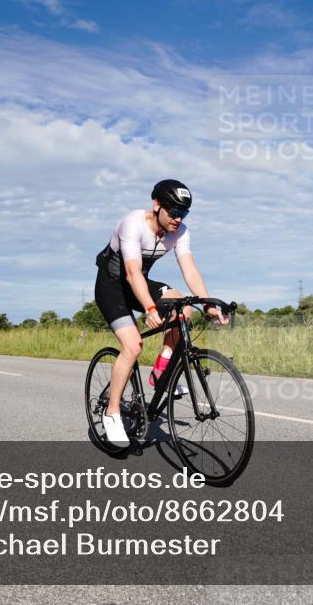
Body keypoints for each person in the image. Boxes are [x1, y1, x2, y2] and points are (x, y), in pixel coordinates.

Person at [94, 179, 228, 446]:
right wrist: (150, 308)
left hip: (139, 283)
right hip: (112, 287)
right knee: (133, 346)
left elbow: (189, 270)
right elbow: (132, 273)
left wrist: (209, 304)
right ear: (157, 205)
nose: (178, 219)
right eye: (174, 212)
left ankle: (161, 370)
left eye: (184, 213)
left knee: (184, 307)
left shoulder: (180, 232)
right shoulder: (132, 224)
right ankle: (112, 412)